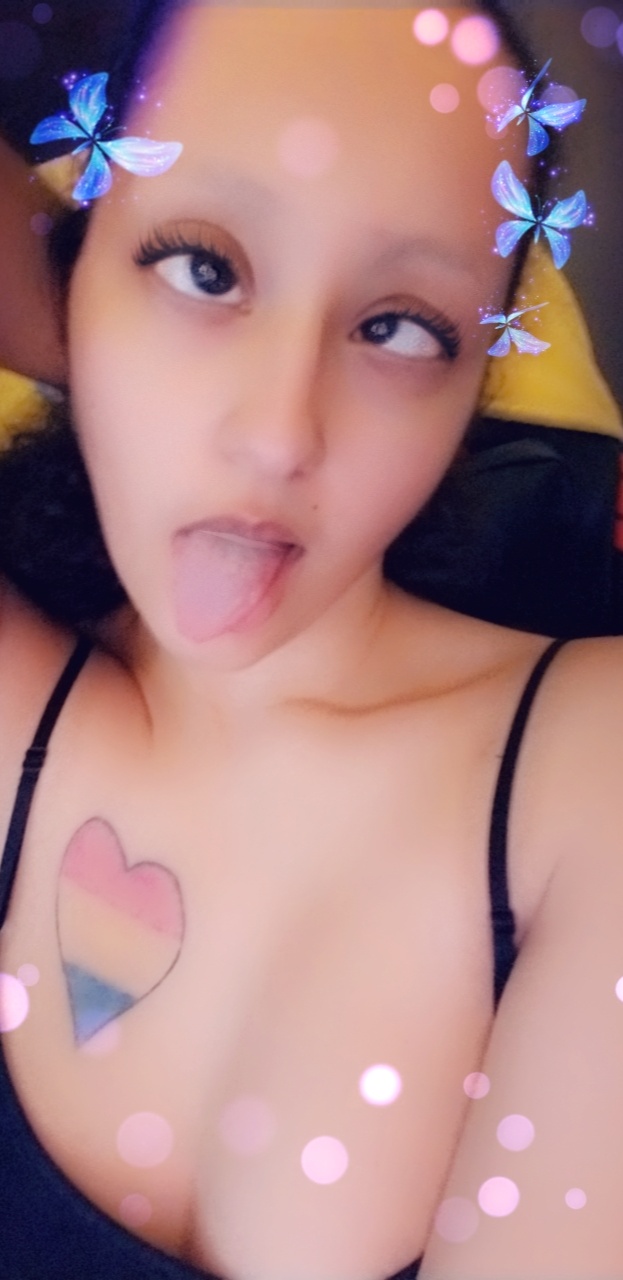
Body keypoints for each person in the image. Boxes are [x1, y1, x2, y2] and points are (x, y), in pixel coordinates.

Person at [0, 2, 622, 1277]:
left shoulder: (585, 775)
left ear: (470, 386)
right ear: (73, 278)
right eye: (201, 267)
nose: (280, 433)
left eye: (398, 327)